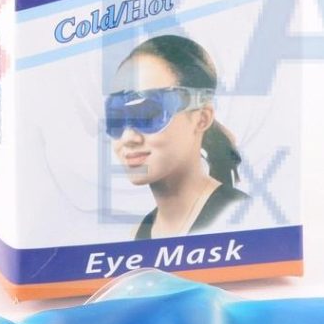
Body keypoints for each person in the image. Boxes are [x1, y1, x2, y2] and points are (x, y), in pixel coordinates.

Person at [104, 35, 250, 239]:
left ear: (202, 118)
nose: (128, 137)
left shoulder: (243, 216)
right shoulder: (139, 234)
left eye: (148, 113)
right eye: (116, 117)